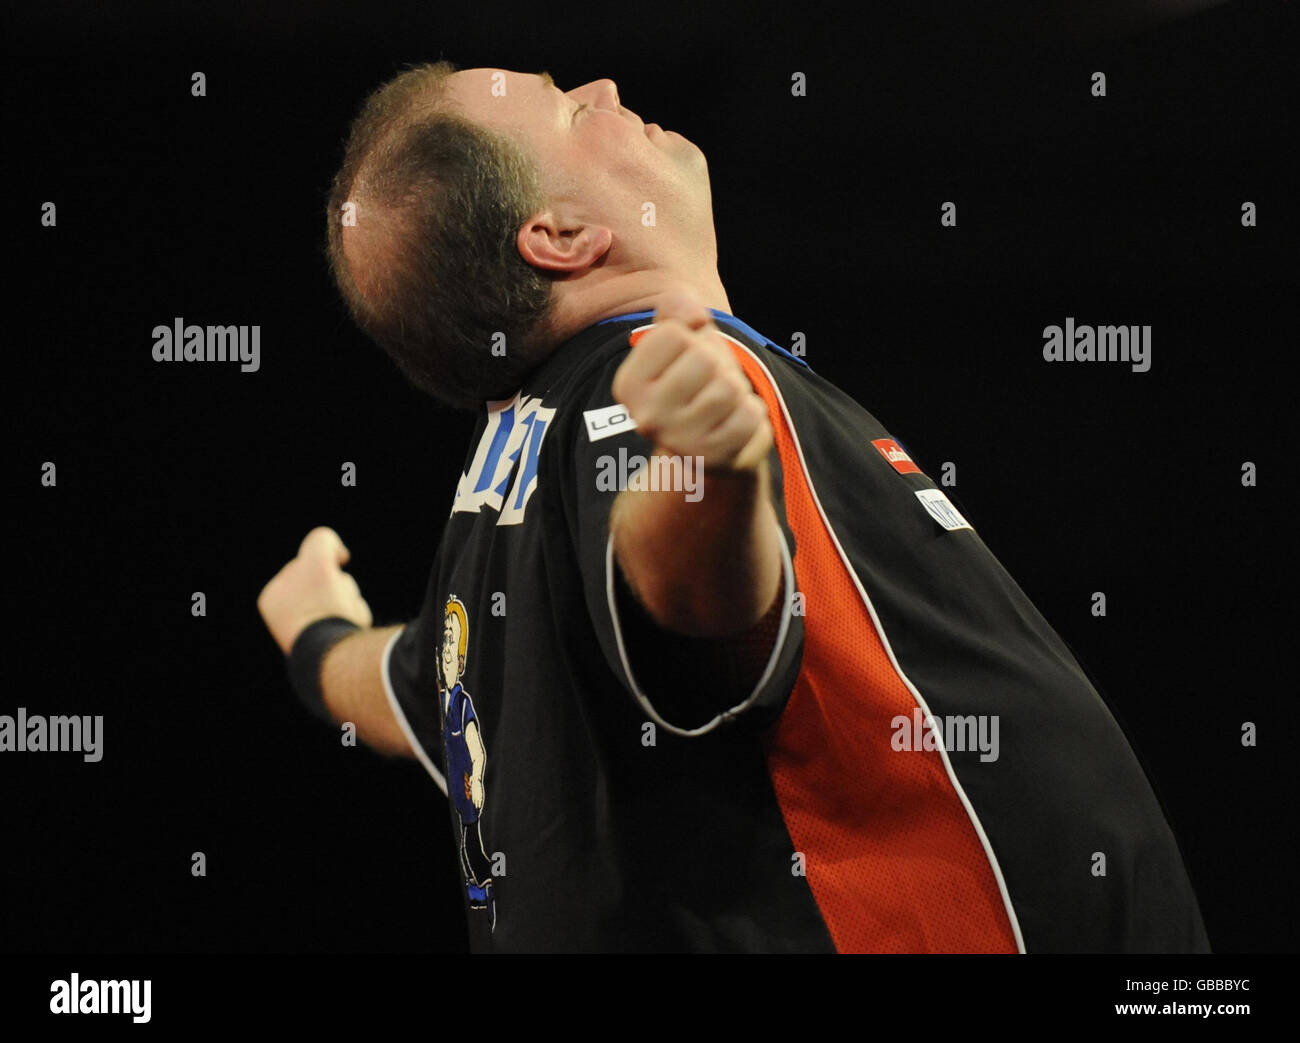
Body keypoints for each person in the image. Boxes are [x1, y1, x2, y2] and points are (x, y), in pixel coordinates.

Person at [258, 62, 1210, 953]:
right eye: (570, 107)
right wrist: (708, 471)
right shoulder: (638, 383)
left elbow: (414, 687)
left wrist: (312, 633)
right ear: (561, 236)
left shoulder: (492, 499)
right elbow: (693, 618)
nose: (606, 86)